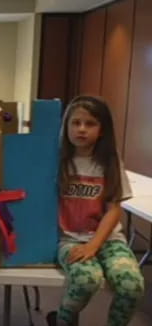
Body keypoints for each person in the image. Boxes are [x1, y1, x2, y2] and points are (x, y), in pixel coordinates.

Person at [46, 96, 144, 326]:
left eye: (90, 123)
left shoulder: (109, 161)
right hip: (68, 239)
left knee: (132, 286)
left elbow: (113, 208)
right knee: (86, 281)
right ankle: (61, 321)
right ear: (66, 125)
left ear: (102, 130)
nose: (81, 129)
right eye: (75, 122)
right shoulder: (55, 160)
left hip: (108, 239)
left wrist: (94, 245)